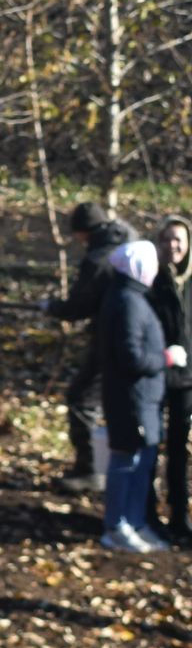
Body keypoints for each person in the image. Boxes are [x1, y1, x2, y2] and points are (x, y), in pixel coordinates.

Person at [98, 235, 175, 553]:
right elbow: (130, 357)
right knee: (126, 462)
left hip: (144, 398)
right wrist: (166, 359)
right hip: (132, 399)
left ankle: (135, 521)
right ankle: (117, 526)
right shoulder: (127, 303)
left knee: (142, 462)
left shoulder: (132, 297)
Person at [47, 201, 133, 480]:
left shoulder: (98, 259)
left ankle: (91, 469)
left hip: (111, 338)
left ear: (82, 232)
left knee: (81, 399)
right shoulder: (128, 237)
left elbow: (78, 306)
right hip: (138, 338)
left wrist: (53, 307)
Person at [150, 216, 192, 544]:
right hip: (155, 375)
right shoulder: (150, 279)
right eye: (167, 240)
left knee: (179, 449)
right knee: (150, 444)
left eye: (178, 239)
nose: (173, 246)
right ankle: (147, 511)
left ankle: (179, 514)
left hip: (187, 381)